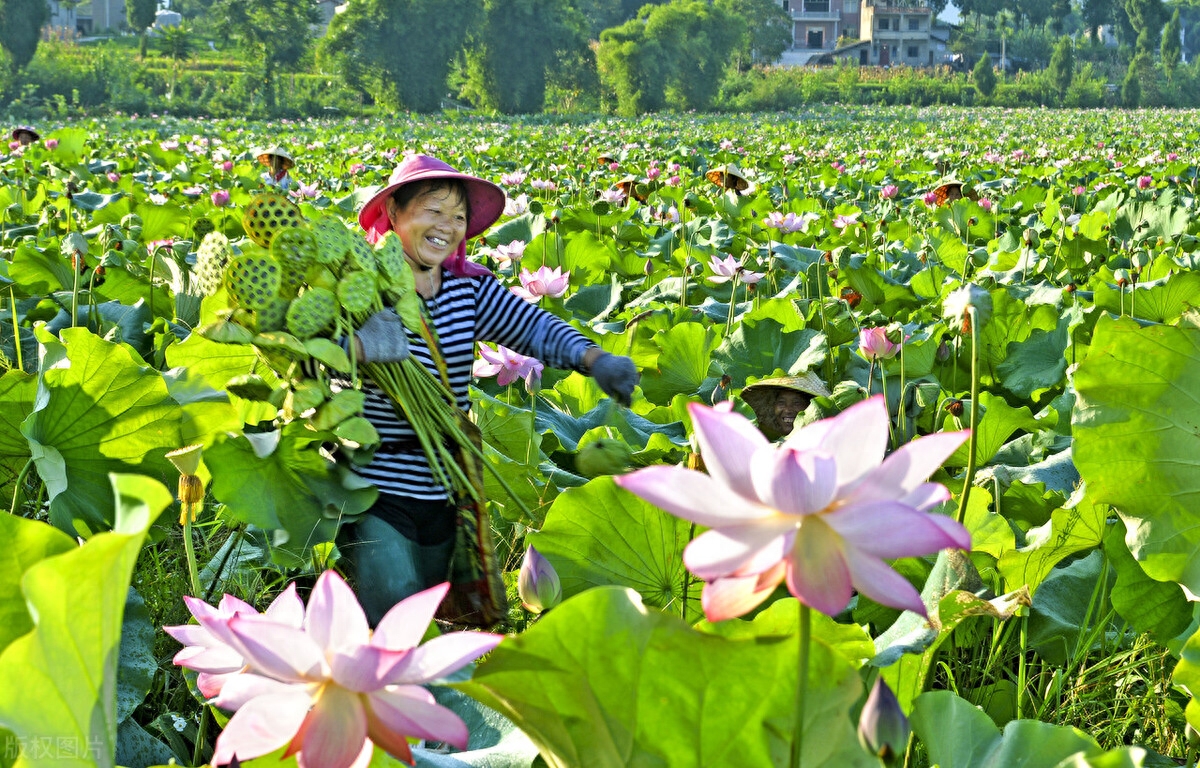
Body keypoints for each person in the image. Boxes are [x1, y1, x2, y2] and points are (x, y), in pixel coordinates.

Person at [342, 154, 639, 624]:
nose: (448, 226)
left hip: (447, 484)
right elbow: (308, 361)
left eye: (458, 217)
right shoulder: (355, 288)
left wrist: (595, 360)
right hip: (377, 483)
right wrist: (357, 348)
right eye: (433, 211)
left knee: (433, 613)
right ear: (394, 213)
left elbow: (533, 326)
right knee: (394, 609)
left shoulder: (468, 287)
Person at [740, 372, 830, 441]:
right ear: (773, 406)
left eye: (796, 403)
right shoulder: (766, 446)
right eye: (781, 403)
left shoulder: (823, 443)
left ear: (811, 406)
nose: (788, 410)